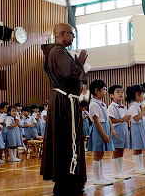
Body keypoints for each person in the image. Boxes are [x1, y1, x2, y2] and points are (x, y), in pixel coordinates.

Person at [41, 23, 88, 195]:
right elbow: (71, 72)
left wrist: (77, 64)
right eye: (71, 34)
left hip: (66, 100)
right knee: (67, 142)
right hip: (64, 102)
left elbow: (71, 73)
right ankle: (65, 184)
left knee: (70, 141)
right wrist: (80, 63)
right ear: (61, 34)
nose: (73, 37)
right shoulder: (57, 51)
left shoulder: (58, 52)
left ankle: (72, 181)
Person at [88, 80, 116, 185]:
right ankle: (97, 178)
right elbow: (96, 121)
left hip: (105, 128)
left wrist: (111, 129)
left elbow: (107, 118)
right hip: (99, 130)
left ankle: (101, 176)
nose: (105, 91)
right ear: (97, 90)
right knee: (98, 153)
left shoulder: (102, 103)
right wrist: (104, 134)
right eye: (104, 89)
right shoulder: (93, 104)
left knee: (101, 153)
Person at [126, 85, 145, 175]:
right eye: (142, 93)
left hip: (141, 126)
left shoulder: (138, 105)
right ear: (137, 94)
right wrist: (143, 111)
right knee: (137, 148)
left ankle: (141, 166)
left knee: (140, 148)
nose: (143, 95)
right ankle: (138, 167)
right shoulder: (133, 106)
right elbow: (136, 118)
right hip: (136, 128)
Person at [108, 85, 131, 179]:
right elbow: (111, 120)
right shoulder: (111, 107)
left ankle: (121, 171)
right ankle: (116, 172)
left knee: (121, 150)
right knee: (116, 151)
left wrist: (125, 120)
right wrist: (122, 119)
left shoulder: (124, 107)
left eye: (122, 91)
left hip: (124, 129)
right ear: (111, 95)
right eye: (117, 92)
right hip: (116, 130)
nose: (121, 93)